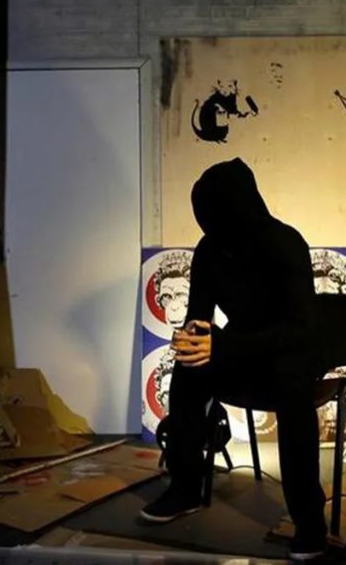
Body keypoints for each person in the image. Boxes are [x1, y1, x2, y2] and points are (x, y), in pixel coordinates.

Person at [138, 158, 328, 561]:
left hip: (290, 354)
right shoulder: (209, 250)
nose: (210, 226)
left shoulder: (285, 243)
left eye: (216, 215)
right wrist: (191, 339)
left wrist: (221, 346)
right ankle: (186, 488)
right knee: (188, 372)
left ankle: (310, 519)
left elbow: (300, 330)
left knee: (291, 385)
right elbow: (199, 315)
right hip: (243, 353)